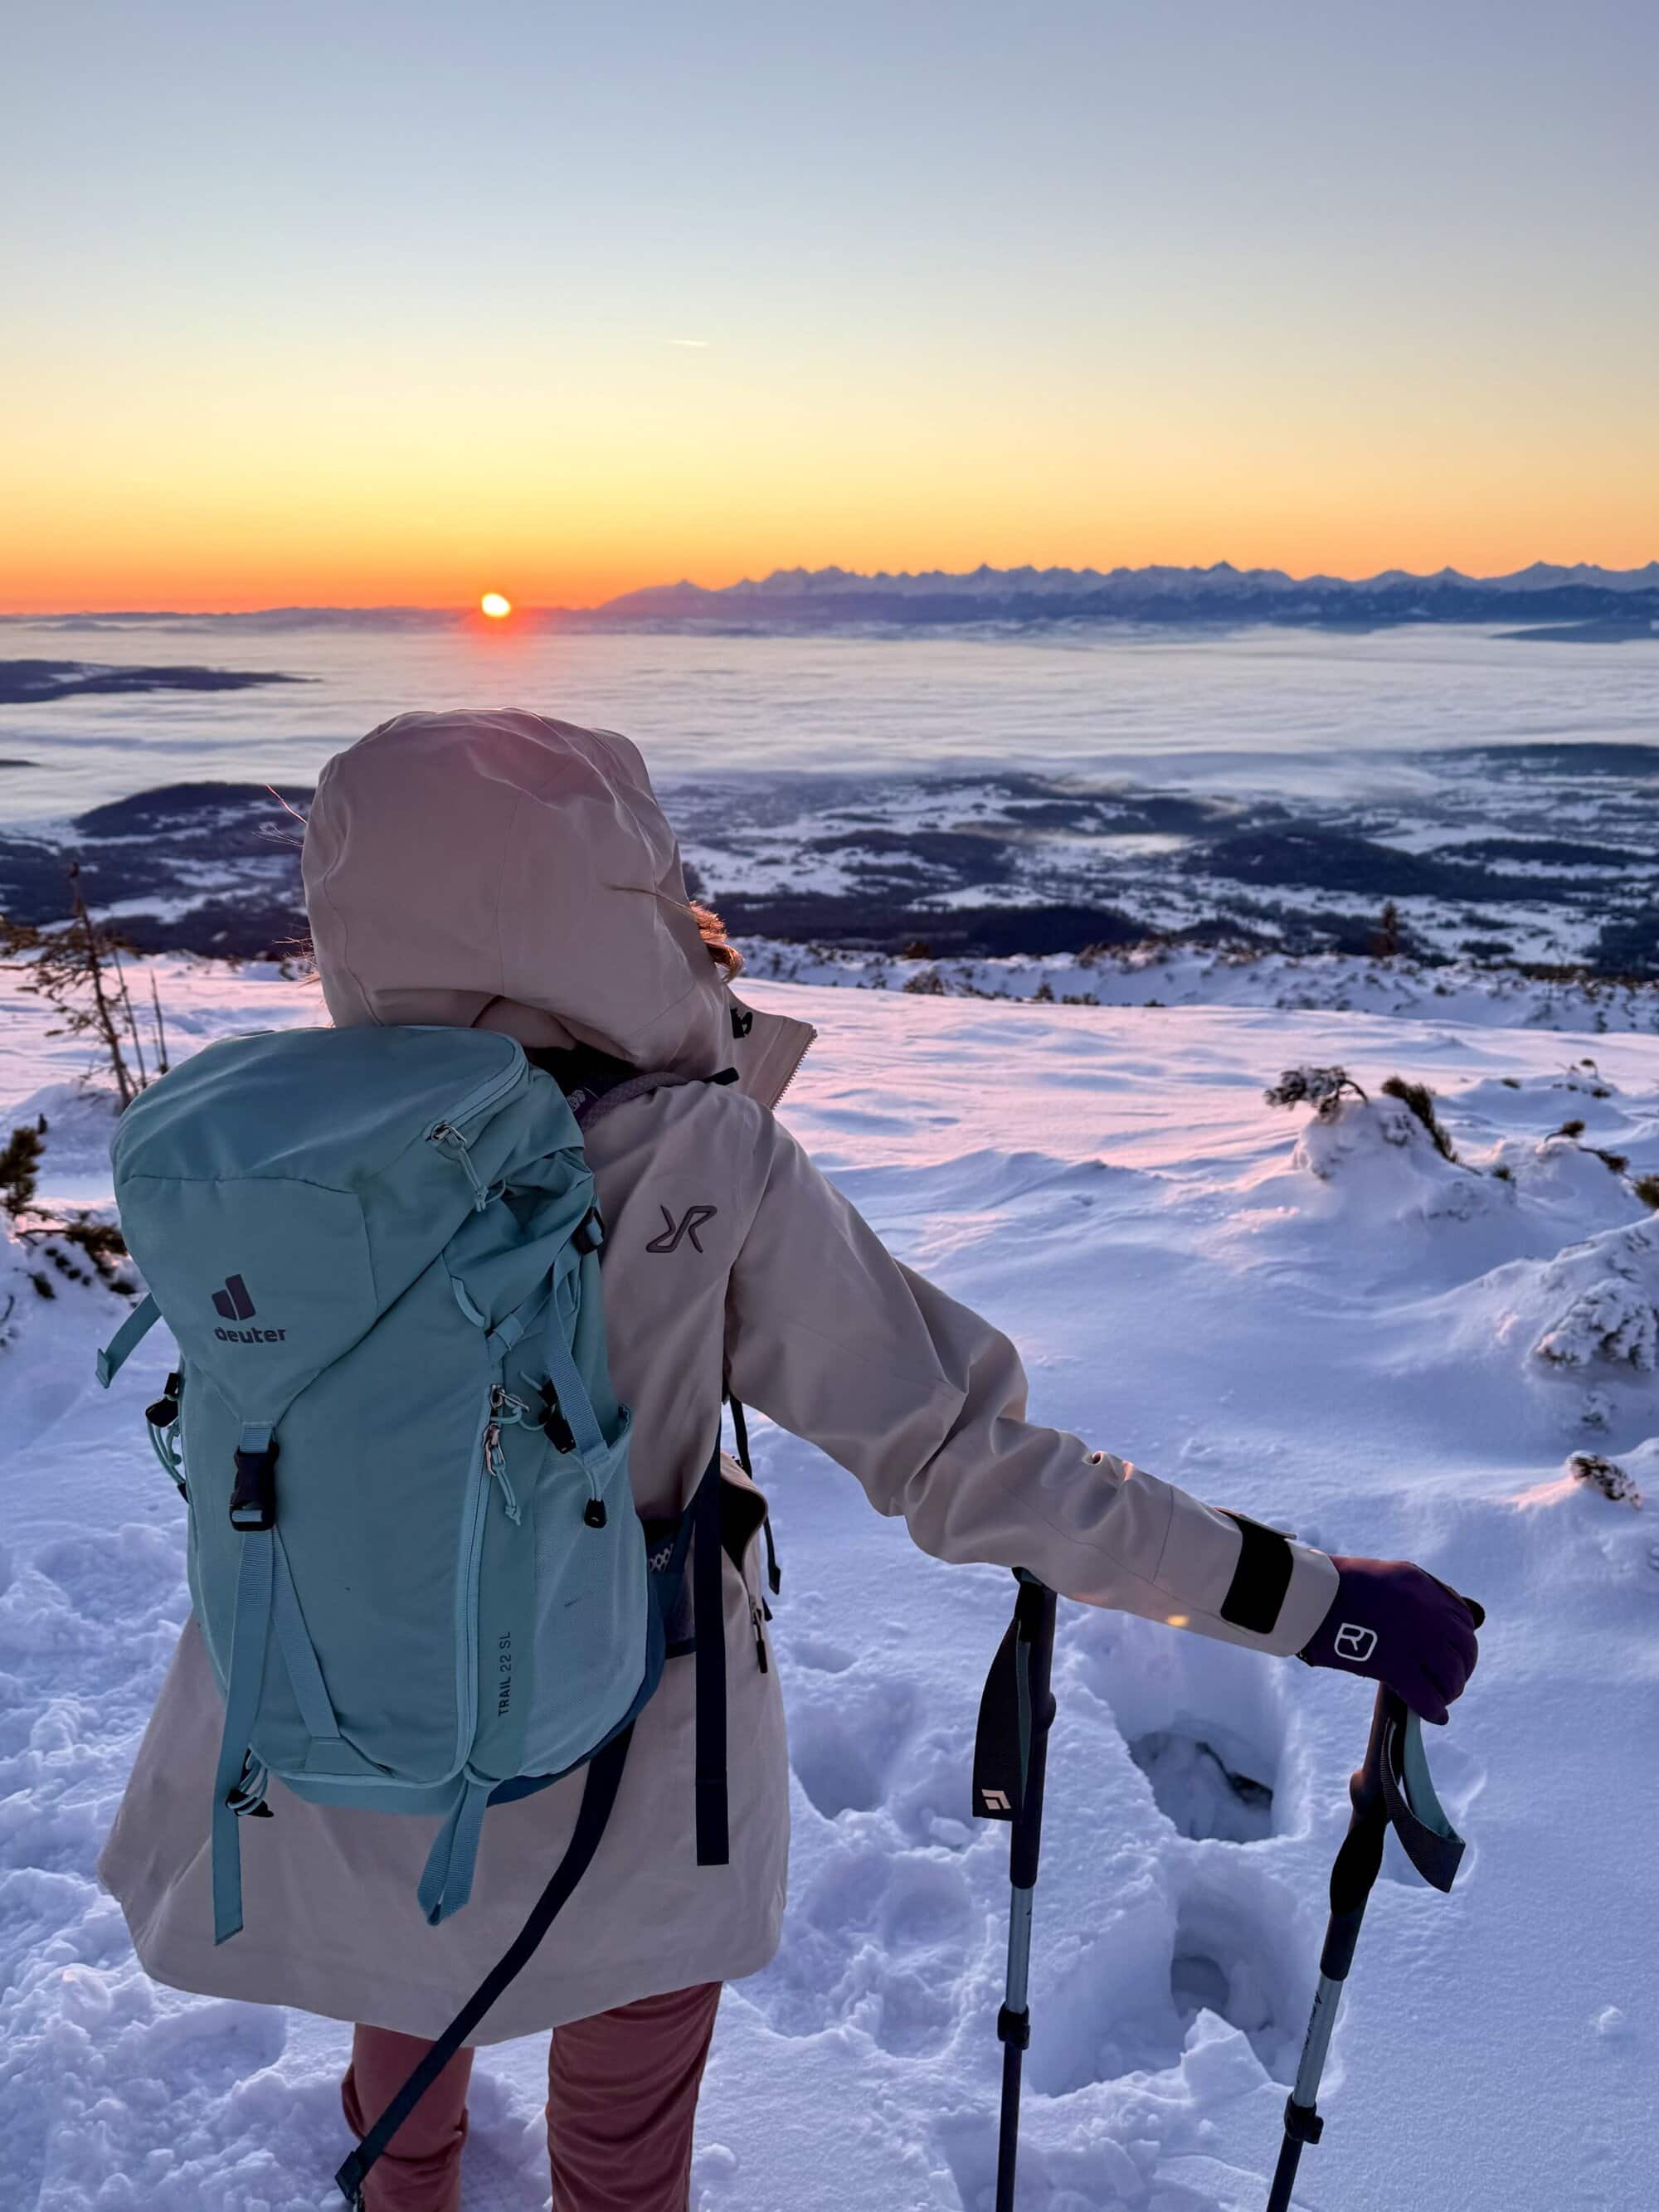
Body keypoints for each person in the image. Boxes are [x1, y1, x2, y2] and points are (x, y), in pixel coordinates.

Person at [99, 709, 1480, 2212]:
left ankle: (403, 2183)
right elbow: (969, 1464)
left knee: (413, 1996)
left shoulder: (270, 1147)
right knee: (622, 2134)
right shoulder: (701, 1160)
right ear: (610, 892)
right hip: (616, 1768)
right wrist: (1317, 1602)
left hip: (323, 1726)